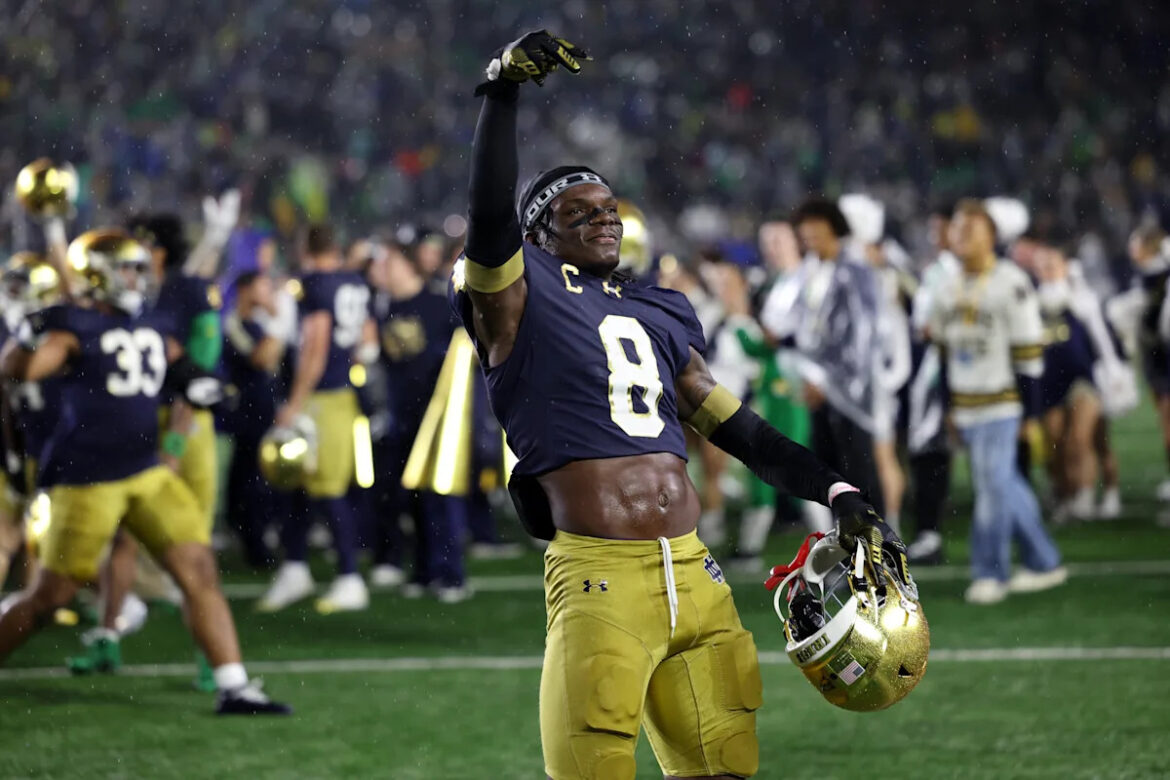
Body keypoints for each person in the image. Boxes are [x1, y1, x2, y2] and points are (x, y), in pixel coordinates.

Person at [456, 31, 903, 780]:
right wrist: (501, 91)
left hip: (697, 575)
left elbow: (743, 432)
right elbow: (488, 216)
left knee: (724, 771)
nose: (603, 219)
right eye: (578, 212)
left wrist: (838, 491)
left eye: (609, 208)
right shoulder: (518, 300)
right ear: (537, 236)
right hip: (600, 578)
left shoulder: (659, 308)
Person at [0, 229, 288, 714]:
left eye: (138, 268)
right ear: (98, 275)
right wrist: (28, 334)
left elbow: (177, 365)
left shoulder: (149, 322)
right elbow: (19, 370)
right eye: (128, 269)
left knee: (199, 568)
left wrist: (201, 385)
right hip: (88, 479)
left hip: (145, 469)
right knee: (50, 597)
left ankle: (234, 686)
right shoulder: (73, 324)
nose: (138, 278)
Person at [928, 200, 1066, 605]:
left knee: (990, 489)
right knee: (1004, 485)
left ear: (991, 236)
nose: (960, 237)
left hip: (1002, 403)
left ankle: (990, 571)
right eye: (957, 229)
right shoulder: (947, 285)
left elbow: (1028, 355)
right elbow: (943, 353)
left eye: (970, 230)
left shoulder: (1012, 282)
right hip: (967, 404)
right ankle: (1044, 561)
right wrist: (949, 407)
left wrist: (1031, 413)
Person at [259, 223, 374, 613]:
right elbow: (366, 339)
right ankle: (295, 567)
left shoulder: (314, 284)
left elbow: (316, 346)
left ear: (305, 247)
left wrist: (295, 401)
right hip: (341, 394)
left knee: (326, 489)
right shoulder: (353, 281)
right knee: (297, 485)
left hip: (320, 398)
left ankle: (349, 576)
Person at [760, 197, 886, 515]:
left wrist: (829, 382)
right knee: (831, 474)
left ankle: (877, 539)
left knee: (859, 471)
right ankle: (845, 538)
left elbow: (861, 337)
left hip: (852, 391)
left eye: (817, 228)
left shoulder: (855, 271)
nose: (810, 236)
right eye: (805, 231)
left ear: (835, 228)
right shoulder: (812, 271)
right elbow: (812, 329)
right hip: (816, 388)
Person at [221, 271, 286, 567]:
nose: (269, 292)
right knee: (251, 478)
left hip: (265, 409)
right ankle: (254, 544)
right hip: (247, 412)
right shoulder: (233, 323)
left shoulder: (260, 324)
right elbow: (261, 358)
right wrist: (280, 319)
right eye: (263, 286)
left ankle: (255, 533)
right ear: (245, 290)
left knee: (255, 476)